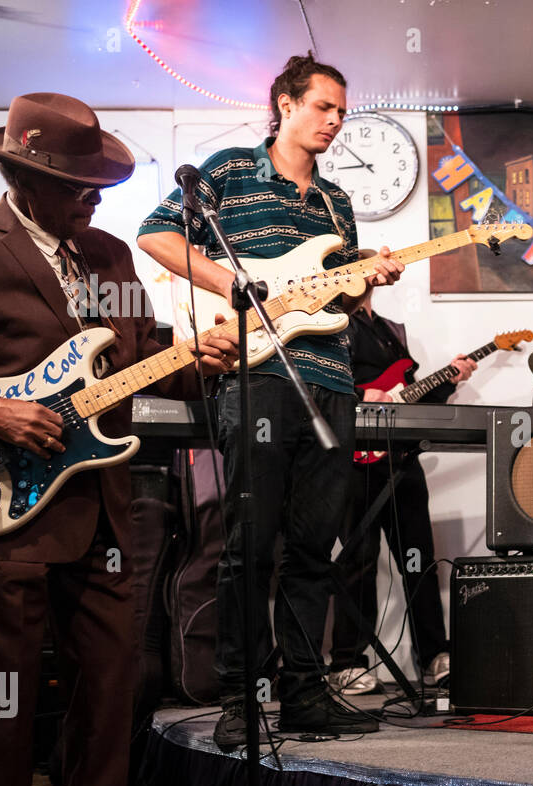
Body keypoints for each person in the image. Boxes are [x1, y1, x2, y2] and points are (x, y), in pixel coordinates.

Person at [0, 92, 238, 786]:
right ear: (21, 175)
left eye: (98, 186)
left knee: (110, 688)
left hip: (102, 512)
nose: (93, 199)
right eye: (75, 186)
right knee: (5, 700)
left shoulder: (111, 256)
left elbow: (141, 368)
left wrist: (204, 362)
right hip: (3, 506)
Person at [137, 53, 403, 749]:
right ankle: (241, 700)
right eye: (324, 107)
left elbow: (344, 298)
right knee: (248, 547)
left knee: (316, 547)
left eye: (343, 112)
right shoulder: (226, 170)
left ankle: (307, 695)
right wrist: (230, 285)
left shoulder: (336, 202)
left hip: (331, 380)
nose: (335, 122)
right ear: (285, 103)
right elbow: (156, 234)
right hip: (256, 379)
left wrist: (374, 277)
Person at [329, 267, 476, 694]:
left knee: (420, 562)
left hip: (401, 458)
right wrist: (359, 396)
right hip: (354, 461)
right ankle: (347, 662)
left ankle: (434, 657)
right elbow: (317, 384)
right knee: (356, 562)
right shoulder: (330, 324)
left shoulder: (391, 331)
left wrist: (448, 379)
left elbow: (407, 392)